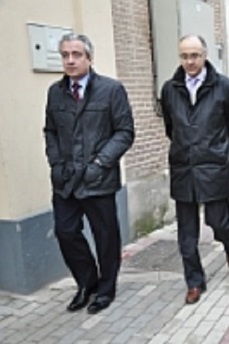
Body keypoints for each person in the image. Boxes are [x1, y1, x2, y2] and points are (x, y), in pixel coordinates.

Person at [44, 34, 135, 314]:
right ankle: (87, 282)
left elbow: (124, 132)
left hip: (98, 179)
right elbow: (50, 132)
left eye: (76, 54)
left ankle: (106, 289)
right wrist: (56, 164)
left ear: (89, 58)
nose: (70, 60)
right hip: (66, 180)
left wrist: (99, 164)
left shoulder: (111, 90)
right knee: (65, 232)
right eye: (65, 55)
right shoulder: (55, 92)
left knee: (106, 238)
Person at [160, 35, 229, 305]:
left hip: (215, 166)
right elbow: (171, 129)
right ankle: (194, 281)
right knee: (187, 234)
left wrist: (224, 156)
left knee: (218, 221)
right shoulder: (170, 89)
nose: (190, 61)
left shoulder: (225, 87)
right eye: (184, 56)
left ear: (205, 55)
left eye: (195, 55)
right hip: (184, 168)